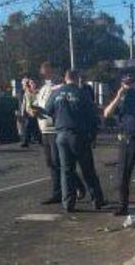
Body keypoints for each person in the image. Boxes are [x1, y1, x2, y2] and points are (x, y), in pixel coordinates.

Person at [44, 69, 105, 212]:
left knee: (66, 171)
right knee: (87, 169)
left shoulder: (56, 93)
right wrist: (93, 134)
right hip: (79, 135)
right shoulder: (81, 93)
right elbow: (92, 115)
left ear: (65, 79)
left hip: (61, 135)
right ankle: (97, 200)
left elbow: (47, 110)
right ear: (77, 78)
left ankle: (68, 203)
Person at [103, 74, 135, 216]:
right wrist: (118, 97)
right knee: (124, 174)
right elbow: (107, 114)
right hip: (127, 140)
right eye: (126, 84)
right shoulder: (121, 99)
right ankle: (123, 206)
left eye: (131, 83)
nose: (129, 86)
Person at [34, 61, 86, 204]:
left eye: (46, 70)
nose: (43, 73)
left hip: (55, 128)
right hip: (43, 128)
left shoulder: (58, 87)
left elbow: (56, 105)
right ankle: (68, 189)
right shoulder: (43, 89)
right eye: (42, 71)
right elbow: (41, 105)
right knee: (51, 163)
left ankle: (64, 191)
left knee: (60, 163)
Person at [19, 78, 41, 147]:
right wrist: (23, 112)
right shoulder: (27, 93)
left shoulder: (38, 92)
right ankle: (25, 141)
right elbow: (24, 103)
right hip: (29, 111)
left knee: (37, 126)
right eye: (31, 83)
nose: (32, 84)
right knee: (27, 126)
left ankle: (39, 139)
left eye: (33, 83)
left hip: (37, 110)